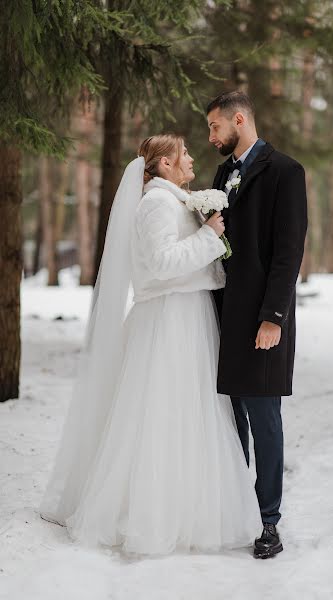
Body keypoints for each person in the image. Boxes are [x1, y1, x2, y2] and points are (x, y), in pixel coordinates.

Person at [39, 133, 262, 556]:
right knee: (162, 412)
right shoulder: (157, 204)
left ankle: (187, 509)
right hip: (168, 320)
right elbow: (161, 264)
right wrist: (210, 236)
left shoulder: (173, 199)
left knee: (188, 412)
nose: (192, 157)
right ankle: (149, 516)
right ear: (164, 164)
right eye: (184, 154)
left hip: (186, 315)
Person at [207, 91, 308, 559]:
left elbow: (288, 253)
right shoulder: (223, 174)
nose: (211, 137)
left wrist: (274, 318)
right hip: (227, 314)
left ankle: (268, 522)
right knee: (233, 420)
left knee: (265, 420)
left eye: (215, 127)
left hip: (264, 319)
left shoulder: (286, 172)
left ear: (239, 120)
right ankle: (236, 512)